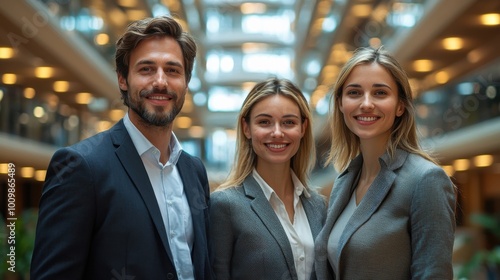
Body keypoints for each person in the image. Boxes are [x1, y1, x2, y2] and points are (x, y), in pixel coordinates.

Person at [31, 16, 214, 280]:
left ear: (185, 82)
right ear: (123, 80)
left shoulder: (194, 170)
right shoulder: (80, 166)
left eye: (173, 70)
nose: (161, 82)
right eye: (146, 69)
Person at [314, 46, 456, 279]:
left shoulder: (425, 179)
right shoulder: (345, 181)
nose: (366, 103)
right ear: (340, 104)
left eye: (380, 93)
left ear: (400, 105)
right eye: (354, 93)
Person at [210, 77, 326, 280]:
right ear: (246, 128)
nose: (277, 133)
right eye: (264, 122)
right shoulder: (226, 205)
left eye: (288, 122)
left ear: (303, 128)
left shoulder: (318, 206)